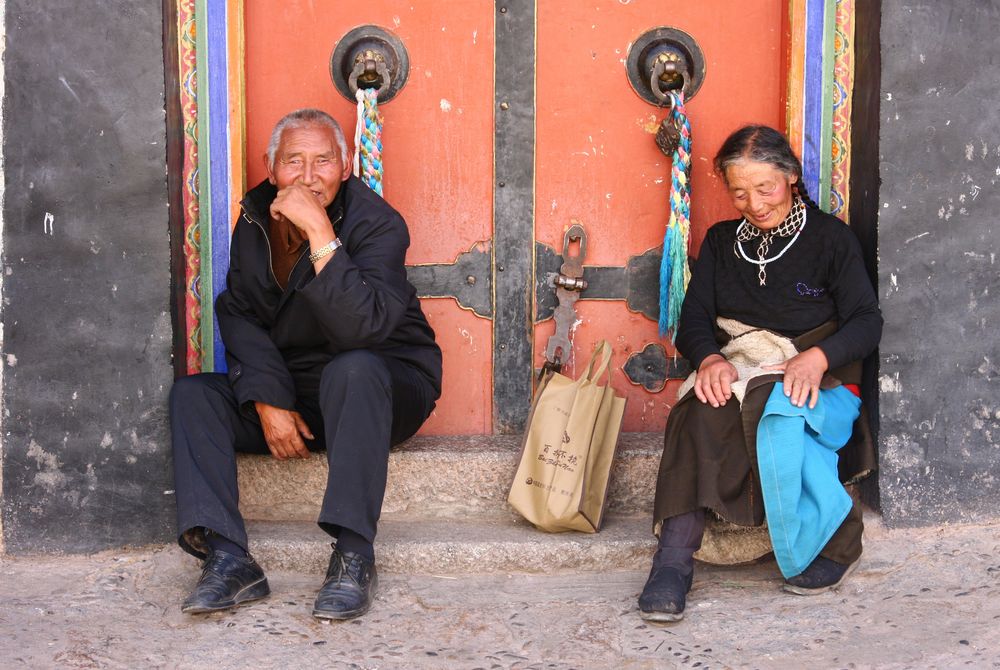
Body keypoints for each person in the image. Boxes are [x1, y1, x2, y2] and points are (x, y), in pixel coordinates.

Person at [170, 108, 442, 620]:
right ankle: (229, 559)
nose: (309, 176)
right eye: (294, 161)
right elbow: (240, 310)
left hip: (382, 382)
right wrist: (267, 398)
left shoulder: (378, 223)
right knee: (195, 395)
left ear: (344, 166)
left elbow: (362, 329)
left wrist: (321, 234)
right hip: (299, 387)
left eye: (323, 161)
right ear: (272, 170)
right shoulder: (255, 216)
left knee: (353, 367)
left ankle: (353, 555)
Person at [638, 125, 882, 622]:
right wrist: (709, 359)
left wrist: (816, 358)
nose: (754, 204)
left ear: (791, 176)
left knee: (776, 408)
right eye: (739, 193)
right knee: (699, 409)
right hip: (743, 366)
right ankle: (672, 563)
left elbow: (866, 321)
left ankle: (835, 544)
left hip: (820, 377)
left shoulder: (831, 240)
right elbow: (695, 320)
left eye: (765, 188)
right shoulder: (722, 242)